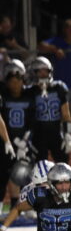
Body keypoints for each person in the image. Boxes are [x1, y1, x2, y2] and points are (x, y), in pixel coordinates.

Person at [1, 59, 37, 208]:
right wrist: (9, 140)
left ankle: (21, 205)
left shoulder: (30, 95)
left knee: (24, 173)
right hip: (4, 141)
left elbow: (32, 122)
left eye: (18, 80)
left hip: (23, 141)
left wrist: (25, 141)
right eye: (12, 81)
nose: (15, 84)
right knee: (3, 175)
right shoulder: (3, 95)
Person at [28, 57, 71, 164]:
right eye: (39, 71)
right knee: (40, 168)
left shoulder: (59, 87)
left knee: (63, 166)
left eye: (45, 71)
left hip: (56, 133)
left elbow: (66, 114)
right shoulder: (30, 91)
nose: (43, 74)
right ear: (34, 73)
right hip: (38, 135)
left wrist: (68, 134)